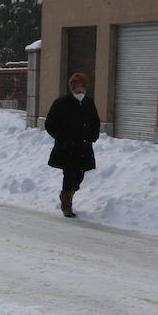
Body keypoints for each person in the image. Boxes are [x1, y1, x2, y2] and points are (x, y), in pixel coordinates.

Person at [44, 72, 101, 218]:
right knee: (69, 175)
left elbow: (95, 121)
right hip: (67, 148)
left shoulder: (89, 102)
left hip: (83, 147)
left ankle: (65, 195)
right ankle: (66, 206)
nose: (78, 88)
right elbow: (50, 124)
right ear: (71, 87)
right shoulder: (61, 103)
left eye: (80, 85)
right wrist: (62, 138)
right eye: (75, 86)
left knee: (79, 176)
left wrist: (93, 136)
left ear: (85, 87)